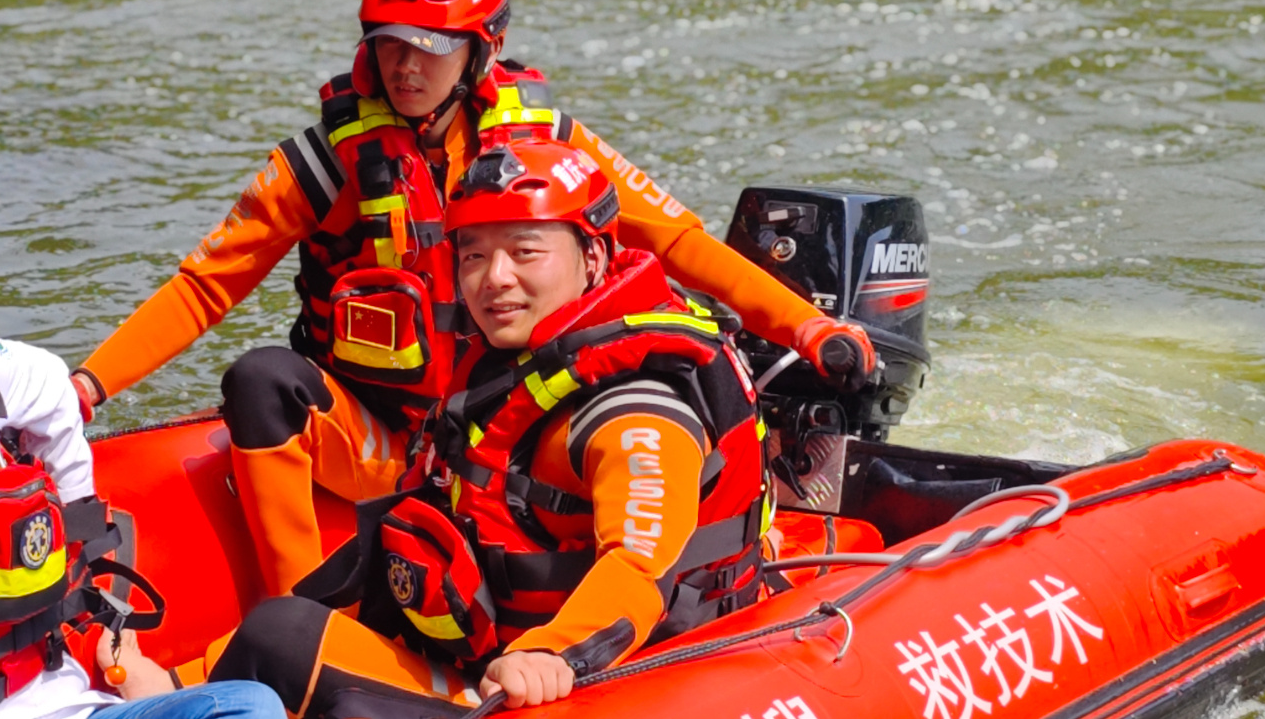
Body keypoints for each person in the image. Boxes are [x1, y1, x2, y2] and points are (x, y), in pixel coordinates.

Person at [70, 0, 877, 597]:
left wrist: (806, 326)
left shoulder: (551, 150)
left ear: (479, 51)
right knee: (260, 380)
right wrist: (88, 385)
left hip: (512, 424)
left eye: (430, 48)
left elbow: (676, 241)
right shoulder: (324, 164)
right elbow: (205, 285)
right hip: (385, 431)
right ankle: (300, 612)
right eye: (388, 45)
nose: (405, 67)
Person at [108, 138, 772, 714]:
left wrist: (549, 654)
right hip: (483, 627)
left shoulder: (635, 412)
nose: (495, 278)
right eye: (475, 256)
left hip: (558, 675)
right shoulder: (522, 355)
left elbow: (638, 566)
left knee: (280, 635)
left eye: (525, 251)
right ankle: (184, 687)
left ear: (593, 258)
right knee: (319, 592)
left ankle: (177, 693)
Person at [0, 337, 285, 719]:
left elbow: (44, 382)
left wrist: (78, 527)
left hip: (57, 700)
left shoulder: (14, 375)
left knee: (253, 705)